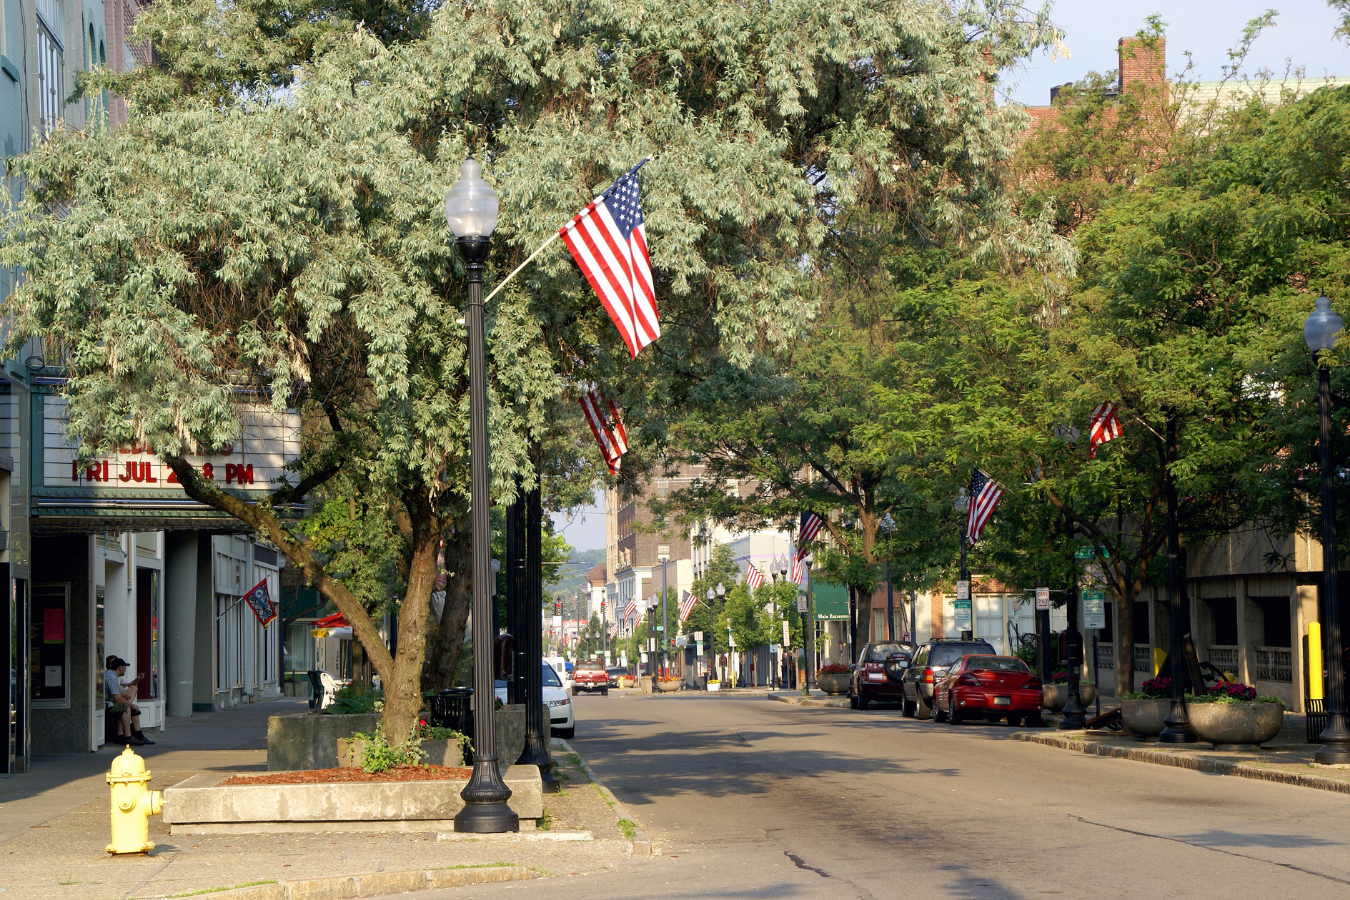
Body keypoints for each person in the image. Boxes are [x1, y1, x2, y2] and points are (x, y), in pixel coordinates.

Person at [104, 656, 155, 746]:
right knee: (125, 707)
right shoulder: (111, 677)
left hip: (111, 701)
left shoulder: (111, 675)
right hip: (107, 704)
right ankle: (128, 737)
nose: (125, 670)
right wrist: (131, 705)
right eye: (124, 667)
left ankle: (122, 735)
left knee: (133, 689)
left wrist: (138, 679)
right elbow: (117, 699)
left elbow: (129, 686)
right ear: (120, 667)